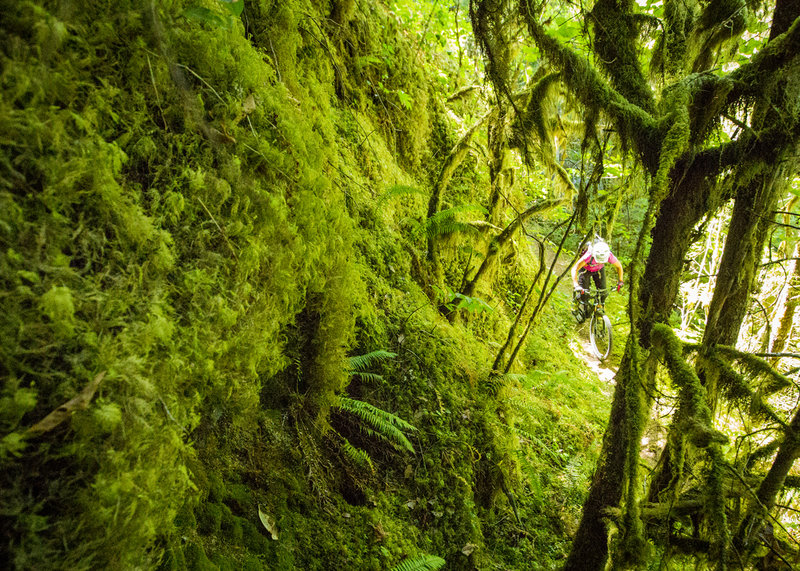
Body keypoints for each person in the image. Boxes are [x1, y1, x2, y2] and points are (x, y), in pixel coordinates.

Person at [571, 238, 624, 323]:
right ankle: (576, 302)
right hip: (585, 270)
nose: (599, 261)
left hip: (599, 270)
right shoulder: (588, 256)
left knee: (603, 293)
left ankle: (599, 310)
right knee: (584, 294)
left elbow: (619, 266)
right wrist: (576, 284)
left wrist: (620, 281)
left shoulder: (609, 255)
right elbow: (574, 269)